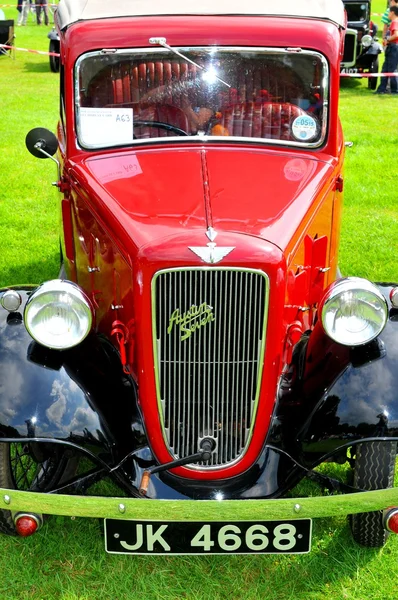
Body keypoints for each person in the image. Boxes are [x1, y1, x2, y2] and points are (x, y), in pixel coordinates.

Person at [375, 5, 398, 94]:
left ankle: (394, 90)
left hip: (393, 48)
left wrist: (387, 39)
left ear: (392, 12)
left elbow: (396, 35)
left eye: (388, 12)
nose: (388, 14)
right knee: (385, 69)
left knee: (392, 70)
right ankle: (381, 89)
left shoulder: (394, 22)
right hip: (392, 47)